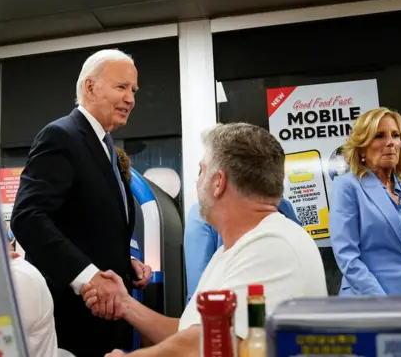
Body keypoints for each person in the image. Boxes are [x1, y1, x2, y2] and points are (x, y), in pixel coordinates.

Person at [81, 123, 327, 356]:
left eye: (201, 171)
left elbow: (208, 345)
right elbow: (190, 332)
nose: (197, 182)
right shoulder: (232, 250)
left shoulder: (272, 245)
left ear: (218, 182)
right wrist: (125, 305)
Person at [11, 49, 152, 357]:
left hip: (107, 319)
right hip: (74, 319)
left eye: (133, 90)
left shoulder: (106, 147)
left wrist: (123, 263)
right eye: (121, 87)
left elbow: (84, 223)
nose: (130, 99)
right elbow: (28, 217)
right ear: (90, 87)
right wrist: (88, 277)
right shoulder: (61, 136)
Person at [331, 107, 401, 296]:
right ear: (361, 148)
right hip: (371, 302)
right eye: (379, 136)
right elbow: (347, 257)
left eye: (395, 135)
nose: (390, 143)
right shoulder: (347, 186)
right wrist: (383, 304)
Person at [184, 198, 301, 301]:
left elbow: (198, 295)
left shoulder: (201, 214)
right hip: (283, 303)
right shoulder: (284, 207)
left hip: (232, 307)